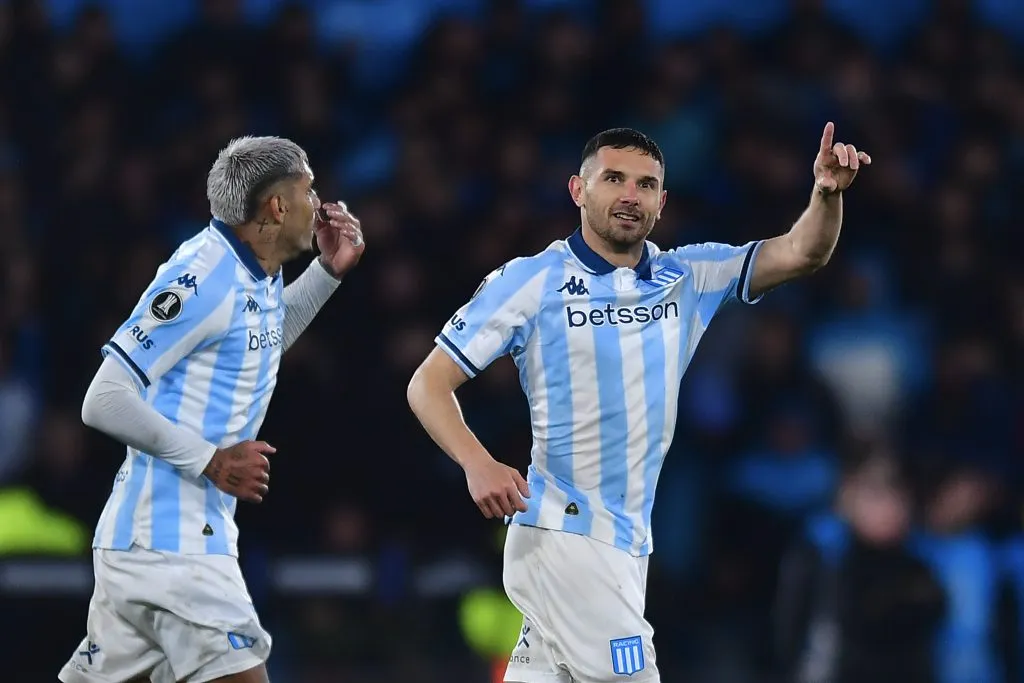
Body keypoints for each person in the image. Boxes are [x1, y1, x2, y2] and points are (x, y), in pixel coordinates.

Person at [407, 124, 870, 683]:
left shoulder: (688, 276)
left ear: (661, 202)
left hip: (623, 539)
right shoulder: (531, 282)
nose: (630, 194)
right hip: (570, 535)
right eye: (614, 179)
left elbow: (802, 253)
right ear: (579, 190)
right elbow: (428, 384)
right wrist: (477, 462)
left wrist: (826, 194)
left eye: (646, 184)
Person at [59, 136, 365, 683]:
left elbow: (259, 341)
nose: (318, 203)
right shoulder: (201, 277)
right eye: (308, 188)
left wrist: (326, 272)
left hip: (149, 545)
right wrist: (211, 460)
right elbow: (103, 399)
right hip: (173, 549)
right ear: (276, 206)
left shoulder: (255, 269)